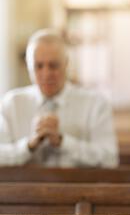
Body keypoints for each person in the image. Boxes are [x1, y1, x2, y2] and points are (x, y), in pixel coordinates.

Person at [0, 29, 118, 168]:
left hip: (80, 189)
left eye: (53, 65)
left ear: (67, 64)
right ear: (28, 66)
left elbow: (110, 159)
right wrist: (29, 146)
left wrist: (63, 142)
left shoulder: (96, 103)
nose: (46, 74)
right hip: (21, 189)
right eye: (38, 66)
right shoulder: (11, 104)